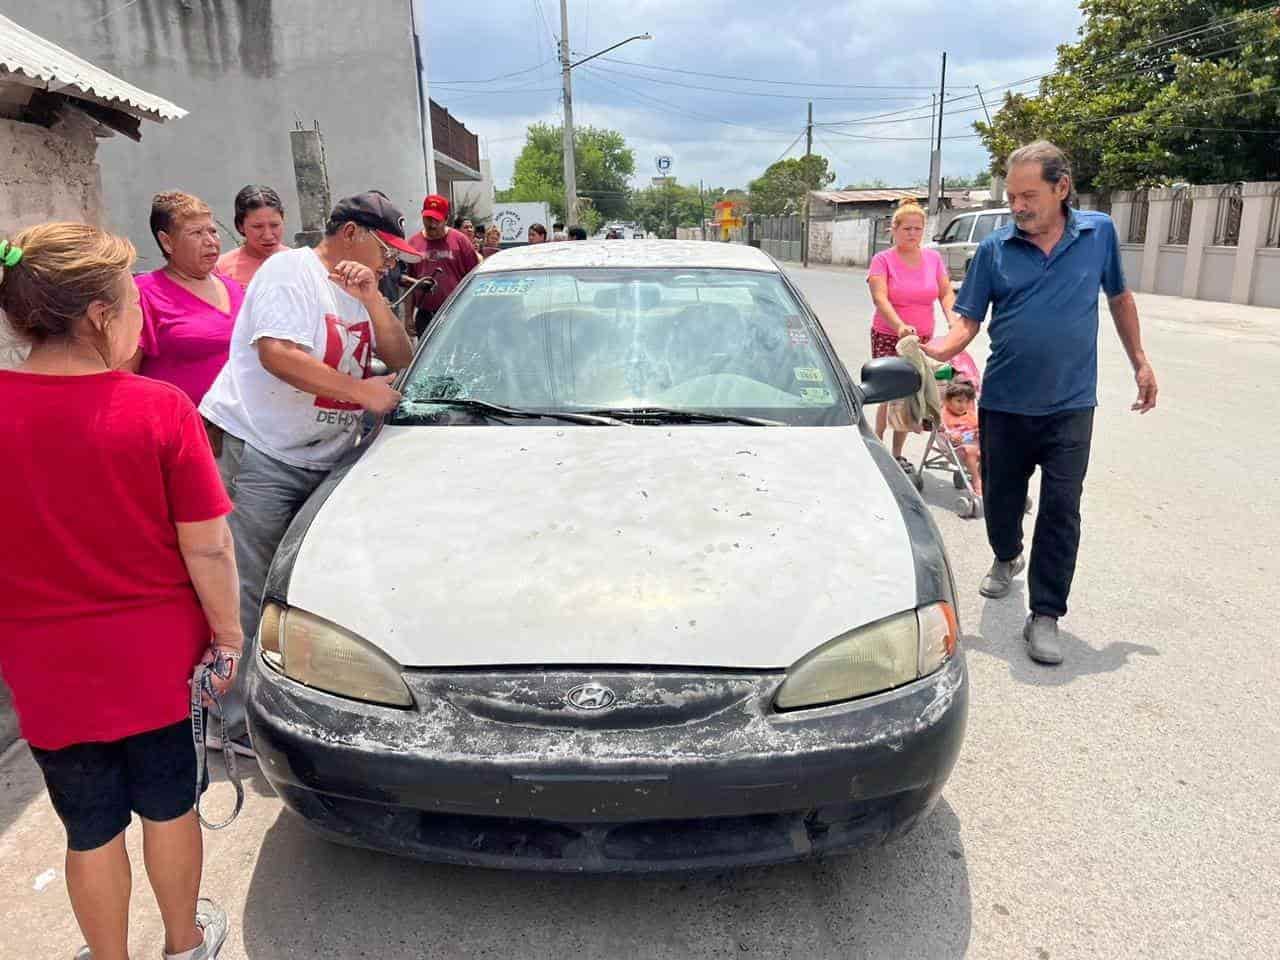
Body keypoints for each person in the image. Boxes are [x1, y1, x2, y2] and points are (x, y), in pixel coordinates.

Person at [0, 222, 240, 960]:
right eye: (131, 303)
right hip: (157, 662)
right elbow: (208, 543)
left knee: (88, 823)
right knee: (170, 809)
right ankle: (184, 941)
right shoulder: (158, 410)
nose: (141, 317)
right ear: (101, 316)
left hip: (44, 665)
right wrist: (229, 636)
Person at [923, 140, 1158, 666]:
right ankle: (1007, 555)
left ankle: (1046, 613)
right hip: (1005, 402)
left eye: (1029, 195)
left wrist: (1140, 360)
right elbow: (967, 321)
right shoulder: (994, 249)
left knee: (1061, 508)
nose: (1018, 205)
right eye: (1012, 195)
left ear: (1061, 188)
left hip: (1071, 404)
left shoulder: (1098, 234)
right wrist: (937, 348)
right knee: (1002, 501)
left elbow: (1119, 297)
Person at [199, 191, 418, 749]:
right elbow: (276, 352)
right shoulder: (288, 272)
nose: (390, 261)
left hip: (324, 456)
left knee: (309, 591)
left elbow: (401, 359)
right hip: (265, 453)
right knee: (249, 589)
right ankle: (235, 720)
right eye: (384, 248)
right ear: (349, 233)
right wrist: (360, 393)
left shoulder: (361, 282)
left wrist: (373, 299)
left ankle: (301, 702)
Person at [866, 197, 957, 471]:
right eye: (907, 228)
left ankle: (897, 453)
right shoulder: (883, 260)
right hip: (889, 335)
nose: (913, 234)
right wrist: (899, 326)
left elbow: (945, 292)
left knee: (910, 395)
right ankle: (877, 448)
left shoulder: (933, 258)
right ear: (894, 229)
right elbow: (880, 298)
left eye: (918, 229)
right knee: (889, 394)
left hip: (923, 339)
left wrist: (953, 319)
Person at [131, 192, 244, 408]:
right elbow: (126, 373)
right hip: (179, 426)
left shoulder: (233, 288)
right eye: (196, 233)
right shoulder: (144, 294)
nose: (210, 241)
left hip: (240, 428)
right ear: (167, 242)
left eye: (213, 231)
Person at [407, 194, 481, 336]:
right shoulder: (413, 244)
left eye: (437, 220)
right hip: (425, 315)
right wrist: (408, 317)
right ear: (422, 215)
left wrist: (474, 313)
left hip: (456, 314)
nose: (432, 224)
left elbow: (475, 280)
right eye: (428, 219)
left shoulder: (461, 241)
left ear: (446, 219)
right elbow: (409, 284)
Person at [216, 184, 288, 287]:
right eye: (258, 227)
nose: (268, 236)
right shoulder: (221, 268)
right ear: (240, 226)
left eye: (274, 225)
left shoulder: (298, 263)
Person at [941, 379, 982, 496]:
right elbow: (943, 430)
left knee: (991, 450)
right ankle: (976, 480)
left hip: (974, 445)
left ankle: (980, 477)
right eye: (959, 401)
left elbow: (977, 427)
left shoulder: (970, 414)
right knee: (970, 450)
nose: (963, 405)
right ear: (948, 401)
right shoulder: (945, 414)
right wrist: (950, 434)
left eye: (966, 402)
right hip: (957, 449)